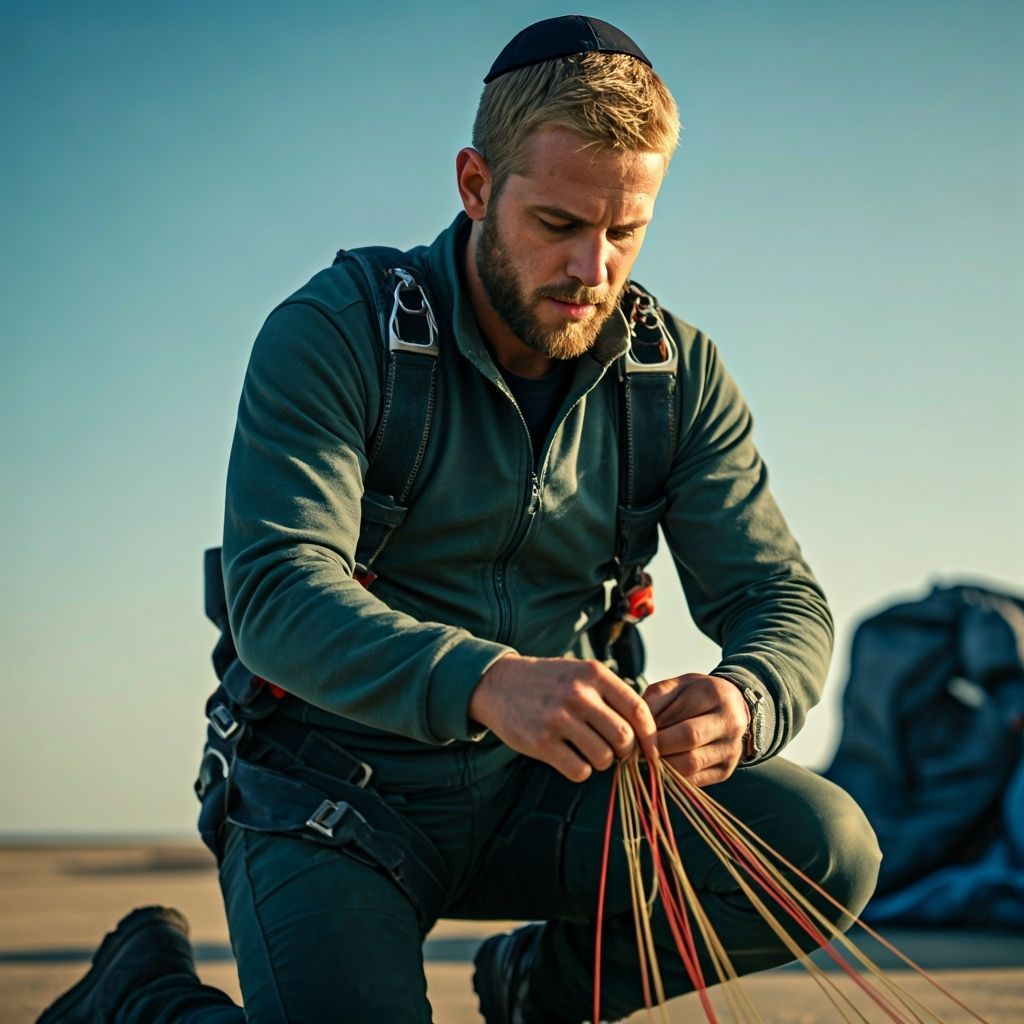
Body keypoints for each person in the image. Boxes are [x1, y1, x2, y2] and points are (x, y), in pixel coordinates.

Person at [39, 15, 880, 1024]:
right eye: (560, 224)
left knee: (824, 844)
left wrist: (746, 700)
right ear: (476, 186)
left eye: (626, 231)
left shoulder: (675, 374)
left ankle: (538, 989)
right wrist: (482, 679)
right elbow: (275, 591)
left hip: (556, 796)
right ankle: (138, 1001)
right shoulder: (334, 332)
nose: (593, 270)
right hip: (336, 797)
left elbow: (776, 596)